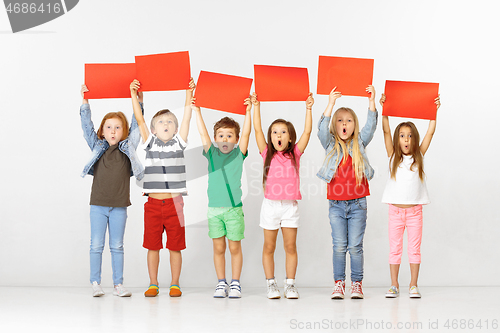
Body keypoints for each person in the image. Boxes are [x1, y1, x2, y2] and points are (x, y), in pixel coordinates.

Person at [130, 78, 195, 297]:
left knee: (175, 246)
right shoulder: (149, 143)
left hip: (175, 203)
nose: (166, 124)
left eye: (170, 122)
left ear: (175, 129)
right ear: (154, 130)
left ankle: (175, 283)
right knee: (153, 246)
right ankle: (153, 283)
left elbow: (187, 115)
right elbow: (139, 119)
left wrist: (188, 92)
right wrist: (137, 98)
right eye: (161, 122)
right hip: (153, 204)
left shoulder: (179, 142)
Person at [80, 84, 144, 297]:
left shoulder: (128, 149)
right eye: (109, 127)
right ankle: (96, 283)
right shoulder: (97, 146)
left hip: (119, 207)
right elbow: (86, 127)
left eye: (118, 127)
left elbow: (137, 124)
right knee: (96, 245)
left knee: (117, 246)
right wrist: (85, 103)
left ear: (123, 131)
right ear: (102, 131)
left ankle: (118, 285)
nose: (113, 131)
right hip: (98, 205)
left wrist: (138, 99)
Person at [317, 86, 378, 300]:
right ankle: (339, 284)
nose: (344, 124)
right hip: (336, 204)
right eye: (340, 120)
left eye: (349, 120)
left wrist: (371, 102)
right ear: (335, 125)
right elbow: (322, 130)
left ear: (354, 125)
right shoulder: (330, 144)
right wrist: (330, 104)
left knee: (355, 246)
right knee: (339, 246)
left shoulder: (359, 142)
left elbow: (371, 126)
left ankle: (357, 284)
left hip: (358, 203)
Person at [252, 92, 314, 299]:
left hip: (290, 207)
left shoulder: (295, 153)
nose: (278, 136)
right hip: (270, 206)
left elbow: (307, 131)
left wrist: (308, 108)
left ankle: (290, 285)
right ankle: (271, 284)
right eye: (275, 132)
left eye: (283, 132)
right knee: (269, 246)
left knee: (290, 246)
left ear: (290, 137)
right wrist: (256, 106)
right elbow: (257, 130)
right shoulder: (265, 153)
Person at [380, 93, 441, 299]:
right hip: (395, 212)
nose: (406, 139)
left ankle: (413, 285)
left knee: (414, 250)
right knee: (395, 248)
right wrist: (385, 111)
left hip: (415, 212)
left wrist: (434, 112)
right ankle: (394, 284)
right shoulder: (392, 156)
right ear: (398, 139)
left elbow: (430, 134)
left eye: (410, 135)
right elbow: (386, 130)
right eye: (402, 135)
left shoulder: (419, 156)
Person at [191, 96, 252, 298]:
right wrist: (197, 111)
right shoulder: (211, 154)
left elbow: (247, 134)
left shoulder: (238, 154)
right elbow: (202, 132)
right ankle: (221, 282)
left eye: (229, 136)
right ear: (216, 138)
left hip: (234, 210)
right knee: (218, 247)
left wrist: (248, 112)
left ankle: (235, 283)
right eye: (221, 135)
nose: (225, 139)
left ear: (235, 139)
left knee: (234, 247)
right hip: (214, 211)